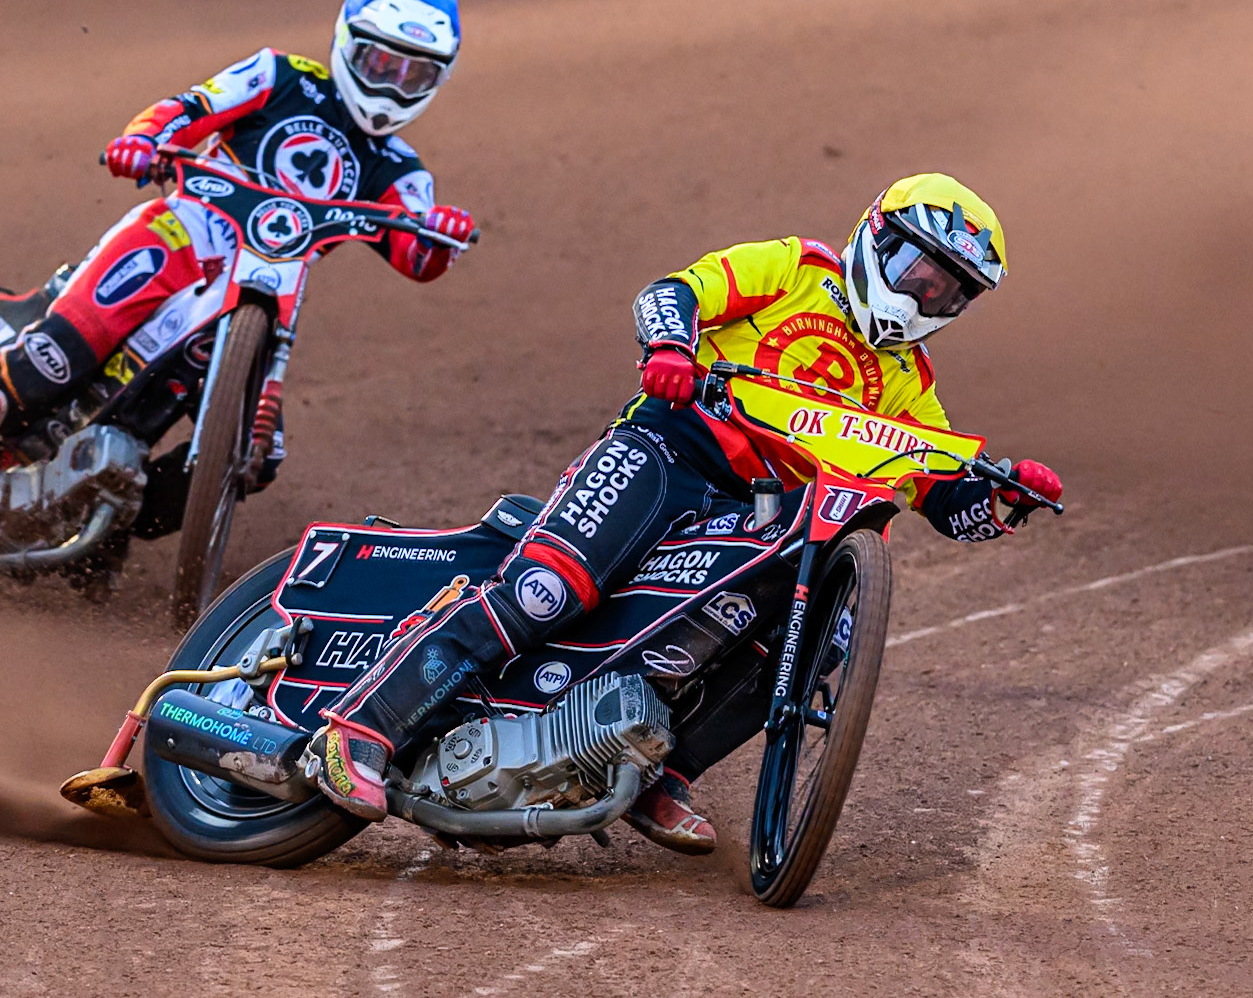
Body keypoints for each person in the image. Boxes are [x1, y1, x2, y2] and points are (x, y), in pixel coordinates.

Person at [310, 173, 1063, 854]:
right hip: (669, 452)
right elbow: (673, 291)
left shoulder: (909, 384)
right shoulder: (798, 269)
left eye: (951, 292)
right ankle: (362, 727)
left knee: (821, 634)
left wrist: (1000, 500)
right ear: (878, 237)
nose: (928, 298)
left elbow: (943, 498)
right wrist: (671, 344)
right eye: (921, 273)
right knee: (548, 589)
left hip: (757, 515)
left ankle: (662, 773)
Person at [0, 0, 475, 531]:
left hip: (262, 297)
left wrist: (442, 233)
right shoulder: (280, 75)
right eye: (380, 62)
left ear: (437, 81)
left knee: (254, 458)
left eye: (414, 74)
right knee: (62, 350)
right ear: (348, 43)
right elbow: (189, 109)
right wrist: (143, 140)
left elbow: (415, 253)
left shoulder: (401, 170)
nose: (393, 84)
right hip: (180, 237)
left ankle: (102, 527)